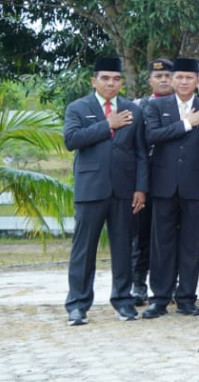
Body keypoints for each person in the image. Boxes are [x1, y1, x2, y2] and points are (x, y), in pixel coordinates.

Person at [63, 56, 148, 326]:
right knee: (83, 250)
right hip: (91, 189)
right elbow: (71, 140)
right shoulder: (79, 107)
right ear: (94, 81)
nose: (111, 83)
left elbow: (141, 153)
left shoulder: (132, 109)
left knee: (123, 249)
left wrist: (140, 188)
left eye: (116, 79)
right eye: (105, 78)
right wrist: (107, 125)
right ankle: (77, 305)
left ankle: (123, 301)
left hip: (124, 190)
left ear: (122, 82)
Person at [140, 58, 199, 319]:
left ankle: (187, 297)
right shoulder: (155, 106)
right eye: (179, 78)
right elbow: (151, 136)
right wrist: (186, 123)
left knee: (190, 245)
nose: (184, 82)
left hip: (195, 188)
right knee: (161, 244)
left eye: (189, 78)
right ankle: (159, 298)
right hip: (163, 186)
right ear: (171, 80)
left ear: (198, 81)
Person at [131, 58, 174, 307]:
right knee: (142, 233)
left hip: (173, 178)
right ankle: (138, 283)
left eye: (168, 75)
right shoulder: (139, 106)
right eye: (158, 76)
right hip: (146, 176)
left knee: (169, 234)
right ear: (150, 80)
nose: (164, 80)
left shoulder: (183, 106)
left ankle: (171, 282)